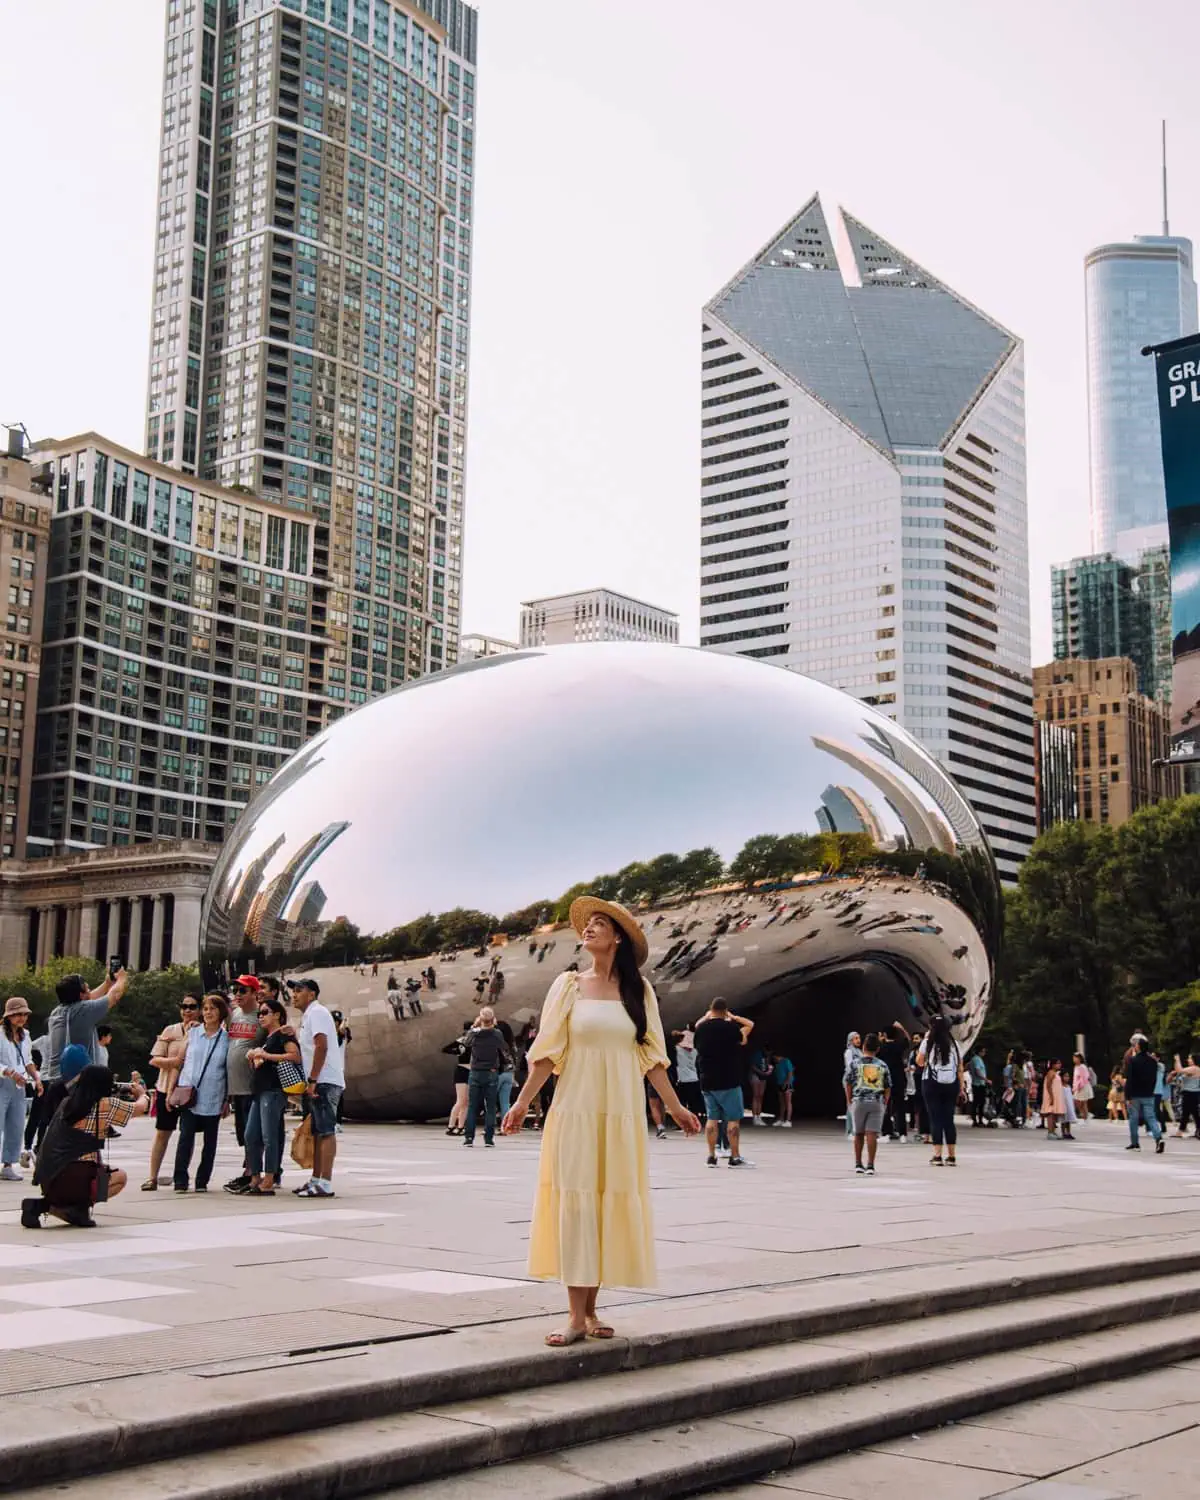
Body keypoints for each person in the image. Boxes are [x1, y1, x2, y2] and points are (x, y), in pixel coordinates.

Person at [501, 896, 699, 1346]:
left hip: (622, 1112)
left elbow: (652, 1058)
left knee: (607, 1201)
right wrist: (520, 1103)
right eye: (586, 925)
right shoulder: (568, 985)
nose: (588, 929)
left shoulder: (639, 991)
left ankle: (591, 1309)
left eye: (598, 925)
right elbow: (547, 1054)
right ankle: (574, 1315)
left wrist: (675, 1107)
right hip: (576, 1107)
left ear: (618, 938)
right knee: (577, 1201)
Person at [26, 1065, 150, 1228]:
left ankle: (45, 1206)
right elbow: (140, 1108)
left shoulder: (66, 1103)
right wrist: (142, 1094)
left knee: (82, 1171)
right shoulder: (104, 1104)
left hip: (49, 1179)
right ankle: (75, 1207)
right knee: (120, 1177)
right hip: (78, 1178)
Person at [289, 977, 344, 1197]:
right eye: (293, 990)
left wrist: (313, 1080)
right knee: (318, 1131)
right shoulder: (309, 1015)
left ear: (311, 994)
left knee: (326, 1131)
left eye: (299, 990)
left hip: (324, 1081)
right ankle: (316, 1178)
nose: (294, 994)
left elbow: (321, 1045)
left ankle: (325, 1182)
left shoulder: (318, 1012)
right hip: (318, 1080)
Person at [242, 995, 302, 1195]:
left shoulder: (284, 1034)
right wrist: (255, 1057)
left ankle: (269, 1178)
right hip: (259, 1091)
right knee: (251, 1135)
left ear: (277, 1014)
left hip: (273, 1090)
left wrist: (266, 1056)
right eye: (259, 1013)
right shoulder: (266, 1038)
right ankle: (255, 1176)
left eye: (265, 1012)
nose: (261, 1017)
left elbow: (295, 1056)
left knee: (270, 1136)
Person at [172, 993, 231, 1193]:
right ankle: (180, 1178)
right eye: (205, 1009)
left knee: (210, 1141)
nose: (208, 1013)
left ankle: (202, 1180)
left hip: (214, 1094)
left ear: (221, 1012)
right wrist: (173, 1089)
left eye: (212, 1009)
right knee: (185, 1137)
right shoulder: (193, 1033)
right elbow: (180, 1062)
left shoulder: (226, 1038)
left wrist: (226, 1100)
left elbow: (228, 1070)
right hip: (189, 1094)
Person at [142, 995, 201, 1190]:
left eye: (192, 1006)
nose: (187, 1010)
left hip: (190, 1090)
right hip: (166, 1087)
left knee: (187, 1134)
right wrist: (174, 1062)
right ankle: (152, 1177)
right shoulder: (170, 1030)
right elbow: (154, 1059)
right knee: (162, 1133)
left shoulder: (203, 1031)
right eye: (184, 1006)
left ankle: (181, 1177)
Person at [694, 997, 754, 1168]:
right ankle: (734, 1157)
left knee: (712, 1119)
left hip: (707, 1080)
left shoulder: (701, 1029)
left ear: (710, 1009)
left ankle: (711, 1156)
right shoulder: (731, 1028)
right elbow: (750, 1025)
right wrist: (734, 1017)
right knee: (733, 1119)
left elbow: (698, 1025)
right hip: (729, 1079)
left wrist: (706, 1017)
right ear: (725, 1011)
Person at [46, 967, 128, 1078]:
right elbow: (114, 996)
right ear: (80, 994)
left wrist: (107, 983)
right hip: (76, 1079)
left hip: (55, 1078)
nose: (90, 991)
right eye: (87, 988)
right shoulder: (83, 1010)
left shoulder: (57, 1012)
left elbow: (88, 998)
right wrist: (122, 979)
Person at [222, 975, 263, 1194]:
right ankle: (248, 1170)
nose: (237, 994)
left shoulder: (261, 1016)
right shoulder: (234, 1015)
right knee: (242, 1133)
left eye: (243, 991)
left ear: (255, 993)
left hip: (252, 1086)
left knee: (252, 1133)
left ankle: (253, 1173)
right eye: (235, 990)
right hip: (235, 1086)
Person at [0, 998, 40, 1181]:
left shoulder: (26, 1036)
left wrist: (37, 1078)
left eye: (24, 1014)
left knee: (16, 1125)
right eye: (17, 1014)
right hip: (2, 1082)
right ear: (8, 1016)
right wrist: (9, 1072)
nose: (21, 1017)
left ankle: (8, 1164)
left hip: (19, 1085)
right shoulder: (0, 1034)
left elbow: (28, 1060)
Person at [917, 1017, 963, 1165]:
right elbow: (960, 1067)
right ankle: (951, 1156)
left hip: (931, 1083)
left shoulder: (928, 1043)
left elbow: (919, 1061)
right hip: (951, 1084)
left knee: (935, 1118)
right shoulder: (955, 1045)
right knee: (948, 1119)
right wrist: (961, 1088)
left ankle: (937, 1156)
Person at [461, 1006, 509, 1148]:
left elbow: (466, 1042)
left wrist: (474, 1027)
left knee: (472, 1106)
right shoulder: (497, 1033)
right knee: (491, 1106)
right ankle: (489, 1139)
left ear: (480, 1019)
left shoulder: (474, 1033)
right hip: (491, 1072)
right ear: (493, 1019)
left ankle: (469, 1138)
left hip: (475, 1071)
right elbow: (503, 1046)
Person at [844, 1031, 890, 1175]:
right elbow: (888, 1086)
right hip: (876, 1102)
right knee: (872, 1133)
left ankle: (858, 1163)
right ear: (877, 1049)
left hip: (859, 1101)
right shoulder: (882, 1065)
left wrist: (849, 1100)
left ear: (863, 1047)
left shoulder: (855, 1063)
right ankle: (870, 1165)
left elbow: (848, 1082)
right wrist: (885, 1102)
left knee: (858, 1133)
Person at [1124, 1037, 1164, 1153]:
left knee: (1134, 1119)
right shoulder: (1153, 1062)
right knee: (1151, 1117)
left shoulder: (1133, 1060)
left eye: (1136, 1045)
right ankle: (1158, 1138)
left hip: (1135, 1094)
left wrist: (1128, 1096)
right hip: (1148, 1094)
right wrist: (1151, 1090)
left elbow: (1130, 1079)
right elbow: (1154, 1079)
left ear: (1139, 1047)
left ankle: (1135, 1143)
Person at [878, 1022, 910, 1141]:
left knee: (884, 1105)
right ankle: (903, 1134)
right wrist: (901, 1028)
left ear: (884, 1034)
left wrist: (880, 1039)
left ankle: (886, 1132)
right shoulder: (899, 1045)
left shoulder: (880, 1047)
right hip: (899, 1079)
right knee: (900, 1106)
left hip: (884, 1080)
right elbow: (908, 1039)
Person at [442, 1021, 472, 1135]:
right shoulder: (462, 1041)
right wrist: (458, 1051)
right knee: (460, 1100)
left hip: (471, 1071)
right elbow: (445, 1049)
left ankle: (460, 1126)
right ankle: (451, 1125)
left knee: (466, 1101)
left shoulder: (474, 1041)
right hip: (462, 1070)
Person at [672, 1030, 704, 1122]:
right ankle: (695, 1120)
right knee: (694, 1102)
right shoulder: (695, 1051)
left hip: (682, 1078)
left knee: (682, 1102)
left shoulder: (677, 1049)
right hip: (694, 1078)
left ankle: (683, 1122)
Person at [1171, 1053, 1200, 1138]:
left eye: (1190, 1058)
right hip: (1189, 1093)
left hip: (1191, 1093)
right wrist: (1176, 1061)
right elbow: (1177, 1070)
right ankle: (1181, 1131)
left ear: (1195, 1060)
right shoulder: (1192, 1069)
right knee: (1189, 1113)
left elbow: (1180, 1070)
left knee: (1190, 1113)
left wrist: (1177, 1060)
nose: (1188, 1060)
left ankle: (1180, 1131)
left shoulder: (1195, 1068)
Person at [842, 1031, 863, 1136]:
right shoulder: (849, 1052)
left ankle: (856, 1129)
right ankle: (850, 1130)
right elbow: (850, 1067)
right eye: (856, 1038)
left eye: (859, 1038)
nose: (858, 1040)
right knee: (850, 1104)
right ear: (850, 1040)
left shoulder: (860, 1052)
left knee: (856, 1105)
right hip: (850, 1080)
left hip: (858, 1080)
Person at [1040, 1059, 1066, 1139]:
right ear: (1053, 1065)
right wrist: (1051, 1097)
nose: (1059, 1065)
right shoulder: (1051, 1073)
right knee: (1050, 1114)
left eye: (1060, 1063)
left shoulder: (1056, 1073)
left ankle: (1053, 1131)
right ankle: (1050, 1132)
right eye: (1058, 1063)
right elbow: (1048, 1085)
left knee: (1054, 1114)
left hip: (1056, 1096)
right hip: (1051, 1096)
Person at [748, 1046, 772, 1126]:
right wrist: (761, 1073)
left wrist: (769, 1070)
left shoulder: (767, 1056)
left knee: (761, 1096)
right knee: (756, 1095)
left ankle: (759, 1117)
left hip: (763, 1077)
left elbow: (768, 1065)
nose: (769, 1054)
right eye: (768, 1052)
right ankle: (755, 1117)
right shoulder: (757, 1055)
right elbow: (753, 1066)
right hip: (756, 1075)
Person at [771, 1053, 795, 1127]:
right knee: (782, 1102)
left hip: (787, 1084)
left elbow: (790, 1072)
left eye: (775, 1057)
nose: (774, 1059)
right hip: (779, 1084)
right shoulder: (776, 1063)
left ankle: (788, 1120)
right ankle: (781, 1119)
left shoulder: (786, 1061)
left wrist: (787, 1082)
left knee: (788, 1102)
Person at [968, 1048, 988, 1127]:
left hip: (977, 1083)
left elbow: (969, 1068)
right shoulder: (977, 1059)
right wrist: (985, 1079)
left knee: (976, 1102)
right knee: (980, 1103)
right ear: (979, 1052)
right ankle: (978, 1120)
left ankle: (976, 1119)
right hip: (978, 1084)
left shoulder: (975, 1059)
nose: (984, 1053)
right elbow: (977, 1070)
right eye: (983, 1051)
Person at [1071, 1052, 1093, 1122]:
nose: (1074, 1059)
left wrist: (1079, 1086)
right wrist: (1074, 1087)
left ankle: (1085, 1117)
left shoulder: (1082, 1066)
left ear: (1079, 1059)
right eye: (1073, 1058)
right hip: (1077, 1087)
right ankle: (1084, 1115)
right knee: (1078, 1102)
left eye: (1076, 1058)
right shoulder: (1076, 1067)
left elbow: (1085, 1077)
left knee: (1083, 1102)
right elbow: (1075, 1078)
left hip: (1082, 1086)